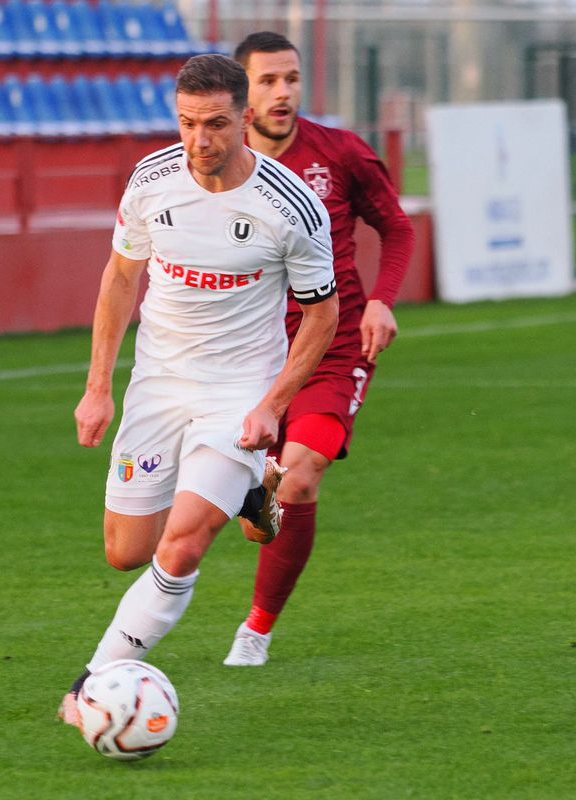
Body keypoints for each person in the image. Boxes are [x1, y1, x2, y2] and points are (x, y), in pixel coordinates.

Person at [58, 53, 338, 725]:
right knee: (126, 553)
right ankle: (255, 490)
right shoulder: (151, 182)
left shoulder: (290, 207)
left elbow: (323, 315)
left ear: (245, 119)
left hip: (238, 393)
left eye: (215, 124)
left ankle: (91, 685)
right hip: (158, 383)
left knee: (181, 544)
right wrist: (98, 388)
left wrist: (272, 405)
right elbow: (121, 277)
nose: (199, 140)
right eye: (187, 123)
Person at [223, 32, 415, 666]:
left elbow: (396, 227)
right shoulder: (218, 167)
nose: (283, 92)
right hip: (250, 353)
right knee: (254, 515)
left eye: (292, 78)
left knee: (300, 477)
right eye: (268, 81)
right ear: (242, 93)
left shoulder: (341, 153)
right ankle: (256, 495)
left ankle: (256, 630)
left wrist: (383, 299)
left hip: (333, 347)